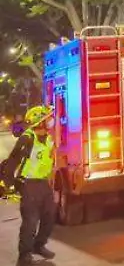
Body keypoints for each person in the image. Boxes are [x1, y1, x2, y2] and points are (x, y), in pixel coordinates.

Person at [0, 105, 57, 266]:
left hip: (43, 183)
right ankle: (24, 257)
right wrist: (8, 185)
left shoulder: (48, 138)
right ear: (39, 122)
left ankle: (39, 245)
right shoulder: (27, 138)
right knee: (30, 222)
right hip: (28, 184)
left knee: (49, 217)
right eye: (47, 119)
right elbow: (12, 162)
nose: (51, 121)